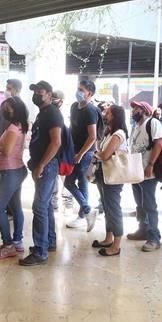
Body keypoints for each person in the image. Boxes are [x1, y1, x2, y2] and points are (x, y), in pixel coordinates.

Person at [20, 81, 63, 267]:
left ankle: (40, 251)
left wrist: (42, 165)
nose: (37, 94)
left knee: (39, 207)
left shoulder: (52, 113)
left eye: (41, 91)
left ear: (50, 94)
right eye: (35, 91)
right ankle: (49, 242)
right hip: (42, 165)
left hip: (47, 165)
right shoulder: (44, 112)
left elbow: (56, 142)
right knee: (44, 207)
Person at [0, 97, 29, 260]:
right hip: (15, 170)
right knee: (15, 206)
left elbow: (6, 150)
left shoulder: (14, 128)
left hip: (11, 171)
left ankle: (8, 245)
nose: (5, 111)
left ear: (16, 109)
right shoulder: (20, 126)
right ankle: (17, 241)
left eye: (8, 108)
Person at [127, 101, 162, 251]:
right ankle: (142, 230)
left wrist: (150, 165)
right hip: (136, 171)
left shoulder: (153, 123)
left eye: (136, 108)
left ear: (143, 110)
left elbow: (158, 144)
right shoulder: (136, 126)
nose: (133, 111)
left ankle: (154, 238)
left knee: (149, 205)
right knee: (140, 204)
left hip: (148, 171)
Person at [93, 104, 129, 257]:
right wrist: (99, 152)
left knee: (113, 209)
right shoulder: (109, 133)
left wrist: (97, 153)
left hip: (113, 177)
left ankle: (116, 245)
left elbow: (105, 155)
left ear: (115, 116)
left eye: (107, 113)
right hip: (104, 175)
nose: (104, 115)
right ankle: (108, 238)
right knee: (107, 207)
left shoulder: (118, 134)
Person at [64, 79, 99, 230]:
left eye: (81, 90)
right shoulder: (74, 107)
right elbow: (72, 128)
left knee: (72, 183)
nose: (78, 92)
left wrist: (80, 154)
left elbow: (92, 136)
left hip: (85, 153)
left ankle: (85, 212)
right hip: (74, 151)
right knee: (77, 182)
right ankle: (85, 213)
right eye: (78, 89)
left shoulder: (90, 110)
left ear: (89, 93)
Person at [0, 79, 23, 216]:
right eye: (6, 87)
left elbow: (16, 130)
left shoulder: (19, 107)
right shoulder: (6, 104)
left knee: (7, 182)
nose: (6, 90)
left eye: (9, 88)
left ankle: (7, 209)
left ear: (17, 89)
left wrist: (2, 145)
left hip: (8, 150)